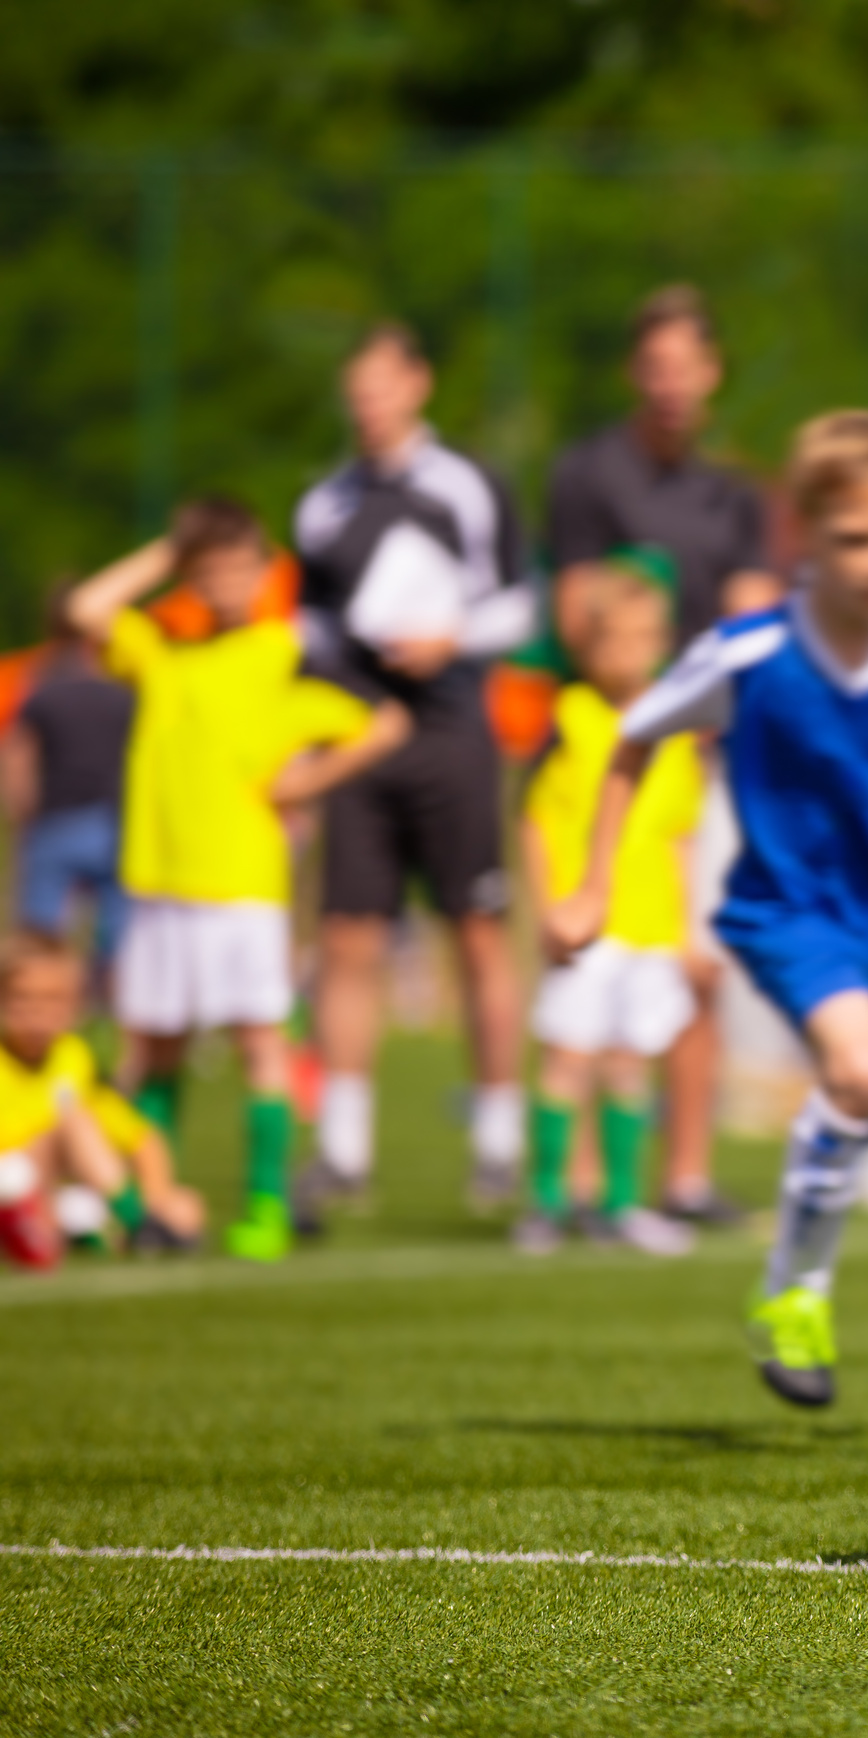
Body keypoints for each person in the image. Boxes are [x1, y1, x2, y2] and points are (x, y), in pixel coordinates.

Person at [547, 410, 868, 1432]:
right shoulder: (749, 653)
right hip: (791, 913)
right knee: (860, 1070)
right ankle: (792, 1295)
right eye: (857, 538)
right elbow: (631, 742)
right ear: (807, 538)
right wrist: (592, 885)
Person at [69, 499, 409, 1260]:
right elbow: (88, 607)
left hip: (246, 888)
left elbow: (385, 724)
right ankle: (151, 1200)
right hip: (159, 883)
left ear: (262, 573)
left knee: (261, 1043)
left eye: (237, 566)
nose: (223, 580)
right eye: (208, 569)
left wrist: (308, 782)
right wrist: (171, 549)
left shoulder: (280, 654)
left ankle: (266, 1204)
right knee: (153, 1047)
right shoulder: (161, 652)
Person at [546, 286, 780, 1229]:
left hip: (708, 758)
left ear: (711, 373)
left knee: (695, 966)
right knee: (596, 964)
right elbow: (573, 614)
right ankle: (585, 1184)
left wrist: (724, 700)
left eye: (689, 365)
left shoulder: (732, 494)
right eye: (656, 367)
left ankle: (682, 1179)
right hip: (616, 750)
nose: (673, 384)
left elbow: (756, 613)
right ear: (635, 375)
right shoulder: (587, 474)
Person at [294, 323, 535, 1214]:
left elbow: (519, 605)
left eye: (383, 388)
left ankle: (499, 1143)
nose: (369, 408)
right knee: (348, 939)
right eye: (356, 393)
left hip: (452, 737)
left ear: (417, 386)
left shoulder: (468, 488)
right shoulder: (321, 506)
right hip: (360, 743)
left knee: (475, 932)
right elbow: (313, 628)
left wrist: (451, 641)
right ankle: (344, 1152)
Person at [516, 562, 702, 1258]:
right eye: (612, 638)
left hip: (651, 927)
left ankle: (622, 1203)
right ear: (586, 644)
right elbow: (534, 822)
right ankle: (546, 1200)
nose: (627, 651)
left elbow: (678, 835)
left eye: (642, 637)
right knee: (567, 1058)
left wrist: (685, 931)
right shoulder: (568, 718)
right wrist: (550, 908)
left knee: (630, 1062)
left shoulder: (677, 729)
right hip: (585, 930)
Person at [0, 933, 201, 1259]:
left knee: (185, 1207)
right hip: (11, 1190)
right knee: (72, 1124)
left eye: (52, 1000)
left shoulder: (73, 1057)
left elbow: (143, 1139)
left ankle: (126, 1225)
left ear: (74, 1006)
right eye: (22, 1000)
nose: (36, 1014)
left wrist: (159, 1196)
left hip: (54, 1194)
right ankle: (139, 1227)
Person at [4, 586, 136, 977]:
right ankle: (106, 1012)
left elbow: (17, 760)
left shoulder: (42, 689)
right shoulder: (124, 691)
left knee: (39, 932)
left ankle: (40, 1001)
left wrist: (23, 817)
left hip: (54, 821)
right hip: (116, 822)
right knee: (117, 935)